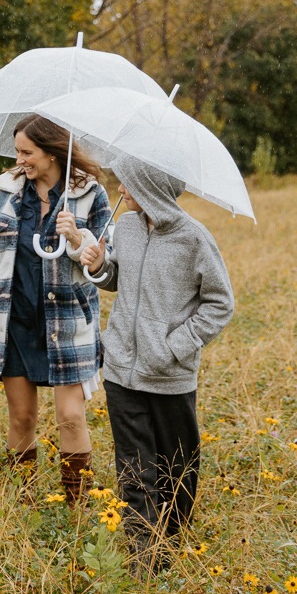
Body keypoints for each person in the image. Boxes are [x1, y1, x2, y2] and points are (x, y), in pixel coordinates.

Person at [80, 156, 234, 569]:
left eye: (127, 183)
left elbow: (221, 304)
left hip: (169, 377)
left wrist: (173, 346)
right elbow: (118, 278)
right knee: (134, 468)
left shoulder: (194, 239)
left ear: (149, 186)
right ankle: (144, 557)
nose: (120, 191)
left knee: (177, 467)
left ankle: (172, 544)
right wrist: (98, 266)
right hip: (121, 372)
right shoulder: (126, 227)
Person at [0, 114, 110, 505]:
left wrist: (78, 238)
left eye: (28, 152)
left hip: (68, 324)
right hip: (13, 322)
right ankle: (22, 507)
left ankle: (75, 508)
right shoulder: (4, 193)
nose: (20, 159)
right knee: (21, 417)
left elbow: (105, 268)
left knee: (71, 417)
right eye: (17, 151)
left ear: (53, 152)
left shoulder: (91, 195)